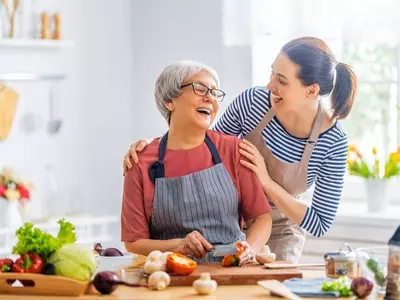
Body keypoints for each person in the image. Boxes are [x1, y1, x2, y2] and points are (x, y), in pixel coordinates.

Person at [122, 37, 358, 263]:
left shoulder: (333, 143)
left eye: (282, 81)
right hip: (231, 216)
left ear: (312, 91)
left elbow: (319, 223)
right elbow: (203, 141)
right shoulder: (254, 103)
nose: (270, 85)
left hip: (279, 228)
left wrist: (266, 181)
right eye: (272, 73)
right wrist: (153, 146)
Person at [121, 60, 272, 264]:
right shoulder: (140, 161)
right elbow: (134, 241)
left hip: (232, 270)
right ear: (169, 101)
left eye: (214, 92)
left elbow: (261, 218)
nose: (210, 98)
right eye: (200, 89)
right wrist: (178, 245)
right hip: (171, 275)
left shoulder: (234, 150)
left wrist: (249, 250)